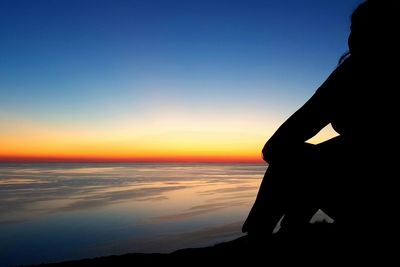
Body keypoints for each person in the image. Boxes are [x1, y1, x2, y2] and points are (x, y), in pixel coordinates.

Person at [242, 0, 399, 245]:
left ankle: (263, 236)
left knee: (298, 159)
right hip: (360, 188)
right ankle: (279, 231)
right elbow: (288, 135)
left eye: (363, 29)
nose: (354, 37)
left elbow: (278, 145)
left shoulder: (351, 76)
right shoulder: (347, 75)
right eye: (353, 29)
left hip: (372, 200)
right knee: (306, 157)